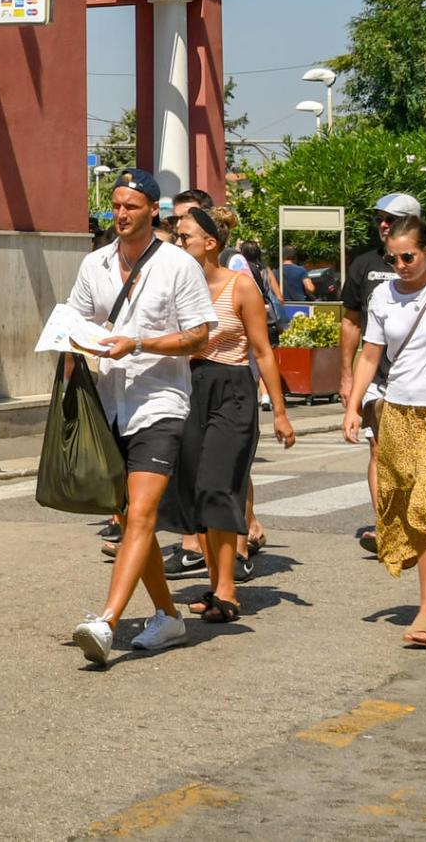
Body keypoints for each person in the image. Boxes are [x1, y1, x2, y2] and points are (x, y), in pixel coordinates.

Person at [65, 169, 216, 668]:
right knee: (131, 517)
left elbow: (200, 336)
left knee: (142, 512)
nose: (122, 214)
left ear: (154, 210)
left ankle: (106, 621)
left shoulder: (178, 266)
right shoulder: (95, 264)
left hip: (160, 403)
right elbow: (78, 322)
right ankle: (169, 617)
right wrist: (69, 362)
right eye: (116, 205)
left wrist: (141, 342)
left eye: (132, 206)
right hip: (110, 401)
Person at [342, 213, 426, 647]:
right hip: (397, 410)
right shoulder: (382, 295)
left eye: (409, 256)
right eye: (393, 257)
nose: (400, 264)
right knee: (412, 511)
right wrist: (353, 405)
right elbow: (370, 353)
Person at [160, 205, 295, 624]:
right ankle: (215, 583)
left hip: (232, 389)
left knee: (219, 485)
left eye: (185, 238)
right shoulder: (175, 287)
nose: (178, 244)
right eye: (177, 238)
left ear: (210, 243)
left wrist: (280, 412)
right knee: (197, 490)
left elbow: (262, 351)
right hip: (187, 389)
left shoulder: (240, 287)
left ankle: (227, 589)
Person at [341, 192, 422, 550]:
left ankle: (416, 519)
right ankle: (387, 526)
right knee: (379, 449)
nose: (383, 225)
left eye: (390, 219)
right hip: (378, 379)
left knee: (415, 455)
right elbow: (351, 323)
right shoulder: (364, 265)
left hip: (421, 381)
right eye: (379, 219)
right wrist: (347, 377)